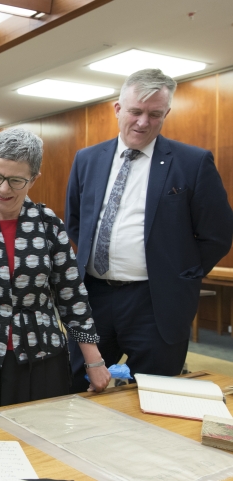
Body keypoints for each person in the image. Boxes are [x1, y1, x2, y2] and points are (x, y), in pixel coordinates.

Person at [66, 68, 233, 393]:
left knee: (156, 393)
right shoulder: (87, 159)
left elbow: (218, 234)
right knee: (77, 385)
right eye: (135, 112)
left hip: (155, 302)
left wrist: (183, 274)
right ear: (118, 109)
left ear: (166, 113)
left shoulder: (192, 162)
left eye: (155, 114)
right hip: (94, 297)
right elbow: (76, 221)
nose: (143, 122)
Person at [0, 128, 110, 415]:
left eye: (16, 180)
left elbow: (72, 297)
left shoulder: (48, 224)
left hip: (40, 358)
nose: (3, 189)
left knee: (41, 441)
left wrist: (94, 360)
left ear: (33, 179)